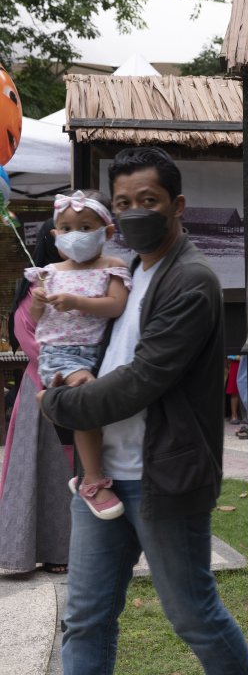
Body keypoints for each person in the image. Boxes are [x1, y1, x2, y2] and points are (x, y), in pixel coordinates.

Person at [37, 147, 248, 675]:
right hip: (101, 482)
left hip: (163, 478)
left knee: (194, 615)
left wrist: (61, 404)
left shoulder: (191, 280)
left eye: (147, 201)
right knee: (86, 619)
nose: (133, 213)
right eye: (122, 203)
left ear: (177, 206)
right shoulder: (125, 271)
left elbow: (142, 379)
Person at [26, 191, 132, 520]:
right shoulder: (48, 271)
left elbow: (116, 305)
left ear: (108, 232)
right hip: (60, 355)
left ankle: (53, 403)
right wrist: (40, 301)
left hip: (98, 351)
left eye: (86, 228)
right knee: (85, 399)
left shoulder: (113, 267)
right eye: (68, 228)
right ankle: (93, 481)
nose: (76, 235)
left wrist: (76, 301)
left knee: (95, 409)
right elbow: (35, 318)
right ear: (56, 234)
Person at [0, 219, 74, 574]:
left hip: (79, 387)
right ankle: (41, 550)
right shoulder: (33, 288)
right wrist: (64, 368)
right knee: (46, 472)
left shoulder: (83, 282)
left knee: (76, 470)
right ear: (50, 238)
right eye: (64, 230)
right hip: (43, 389)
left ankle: (71, 549)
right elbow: (27, 338)